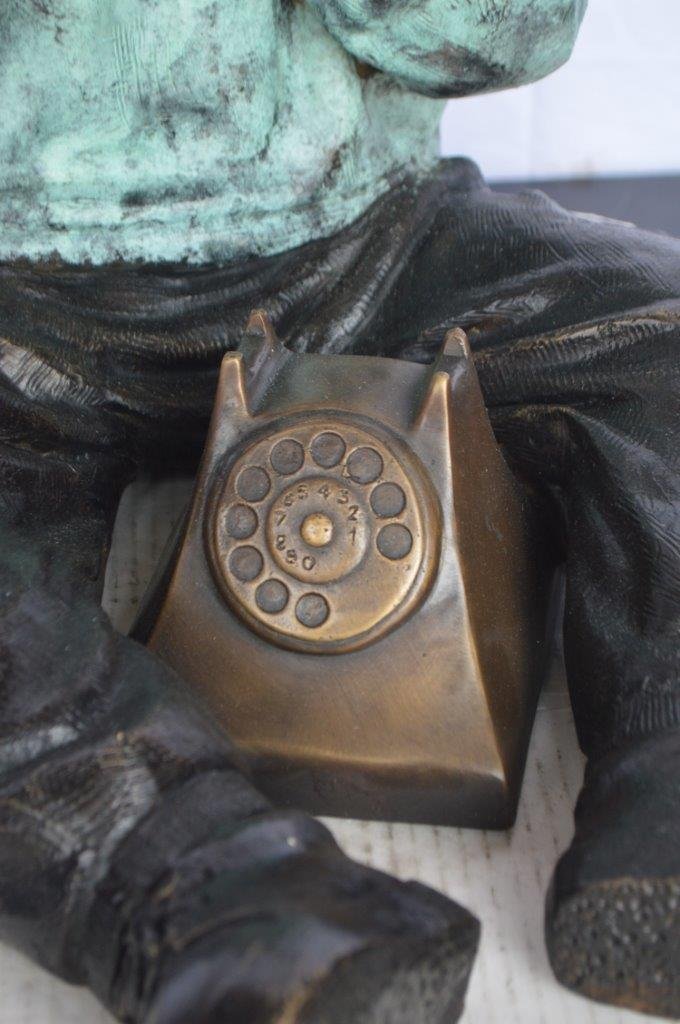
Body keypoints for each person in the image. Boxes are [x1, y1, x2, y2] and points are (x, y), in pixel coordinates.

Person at [0, 1, 677, 1019]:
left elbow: (506, 34)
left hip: (363, 242)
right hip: (19, 302)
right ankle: (208, 897)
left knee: (659, 347)